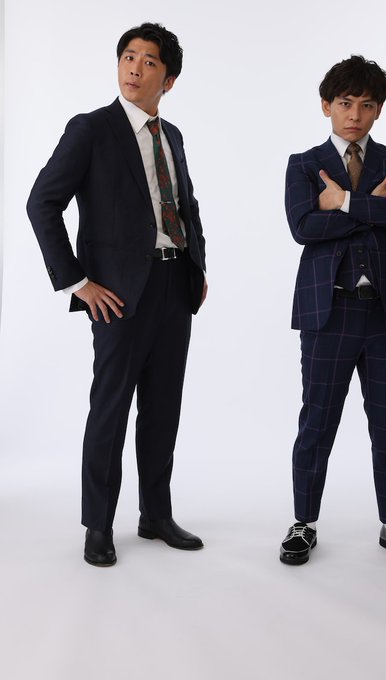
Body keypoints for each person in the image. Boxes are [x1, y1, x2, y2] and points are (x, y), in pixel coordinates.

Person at [27, 22, 207, 567]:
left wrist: (197, 265)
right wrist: (77, 281)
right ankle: (98, 525)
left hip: (174, 286)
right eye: (129, 56)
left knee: (163, 408)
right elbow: (42, 203)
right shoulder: (91, 129)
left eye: (149, 61)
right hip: (119, 294)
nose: (135, 68)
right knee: (110, 408)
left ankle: (155, 514)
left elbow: (186, 203)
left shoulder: (172, 135)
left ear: (168, 80)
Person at [280, 55, 386, 567]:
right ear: (326, 105)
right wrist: (373, 208)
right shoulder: (304, 164)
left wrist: (343, 202)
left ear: (379, 110)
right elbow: (303, 227)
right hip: (329, 313)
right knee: (317, 421)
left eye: (367, 105)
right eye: (345, 103)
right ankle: (303, 522)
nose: (355, 115)